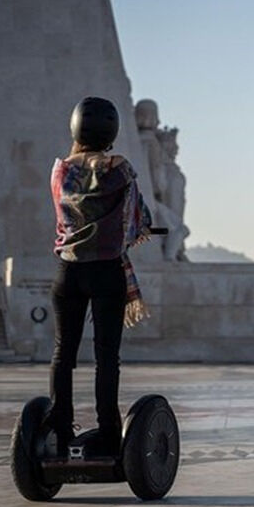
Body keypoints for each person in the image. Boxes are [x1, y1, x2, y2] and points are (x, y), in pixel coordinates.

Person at [44, 97, 154, 458]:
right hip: (106, 272)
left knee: (63, 354)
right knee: (107, 357)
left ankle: (59, 427)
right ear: (112, 132)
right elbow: (137, 218)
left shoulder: (60, 171)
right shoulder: (119, 170)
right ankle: (108, 432)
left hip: (68, 272)